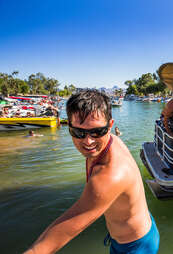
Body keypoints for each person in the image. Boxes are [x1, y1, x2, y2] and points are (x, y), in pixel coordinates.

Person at [24, 90, 159, 254]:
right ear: (68, 126)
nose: (88, 141)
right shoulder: (109, 142)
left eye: (97, 132)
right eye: (78, 132)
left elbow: (65, 229)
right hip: (137, 229)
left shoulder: (111, 174)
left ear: (110, 126)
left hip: (136, 246)